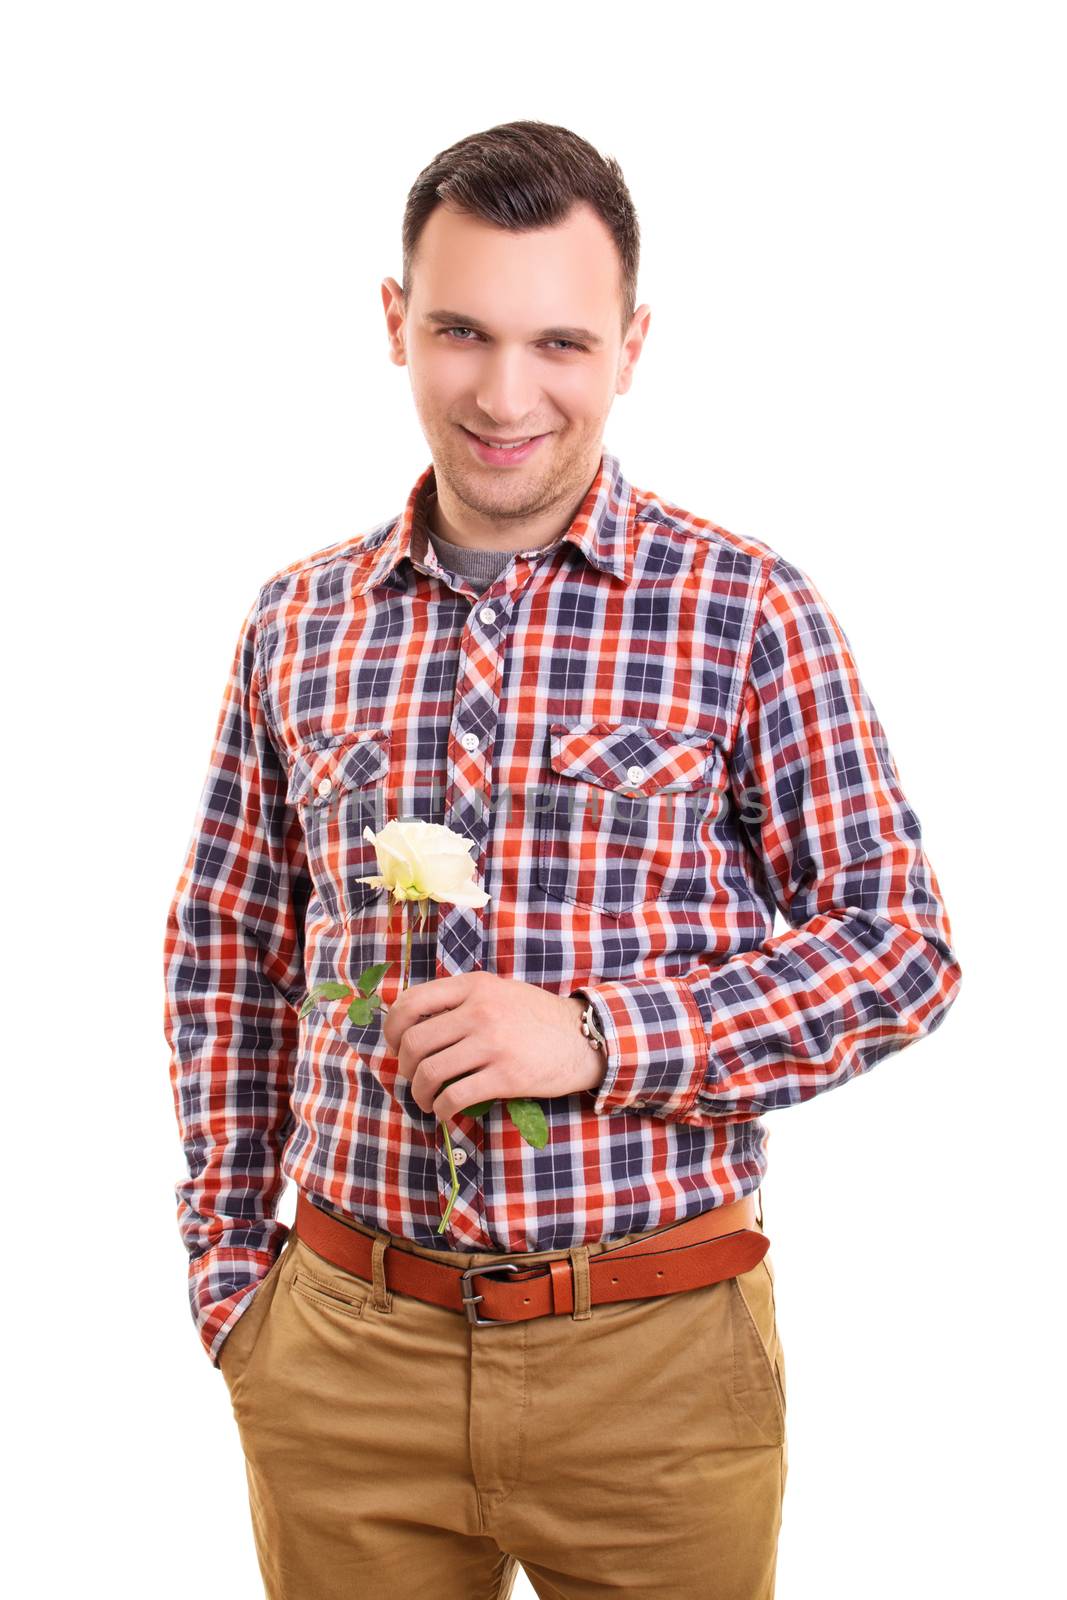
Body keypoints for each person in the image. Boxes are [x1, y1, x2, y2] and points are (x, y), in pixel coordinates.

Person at [163, 119, 962, 1600]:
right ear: (398, 321)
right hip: (343, 1356)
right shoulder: (298, 620)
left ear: (631, 346)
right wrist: (233, 1289)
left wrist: (598, 1037)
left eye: (561, 343)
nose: (505, 393)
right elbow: (226, 949)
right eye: (462, 331)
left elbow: (898, 946)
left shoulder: (745, 610)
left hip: (654, 1369)